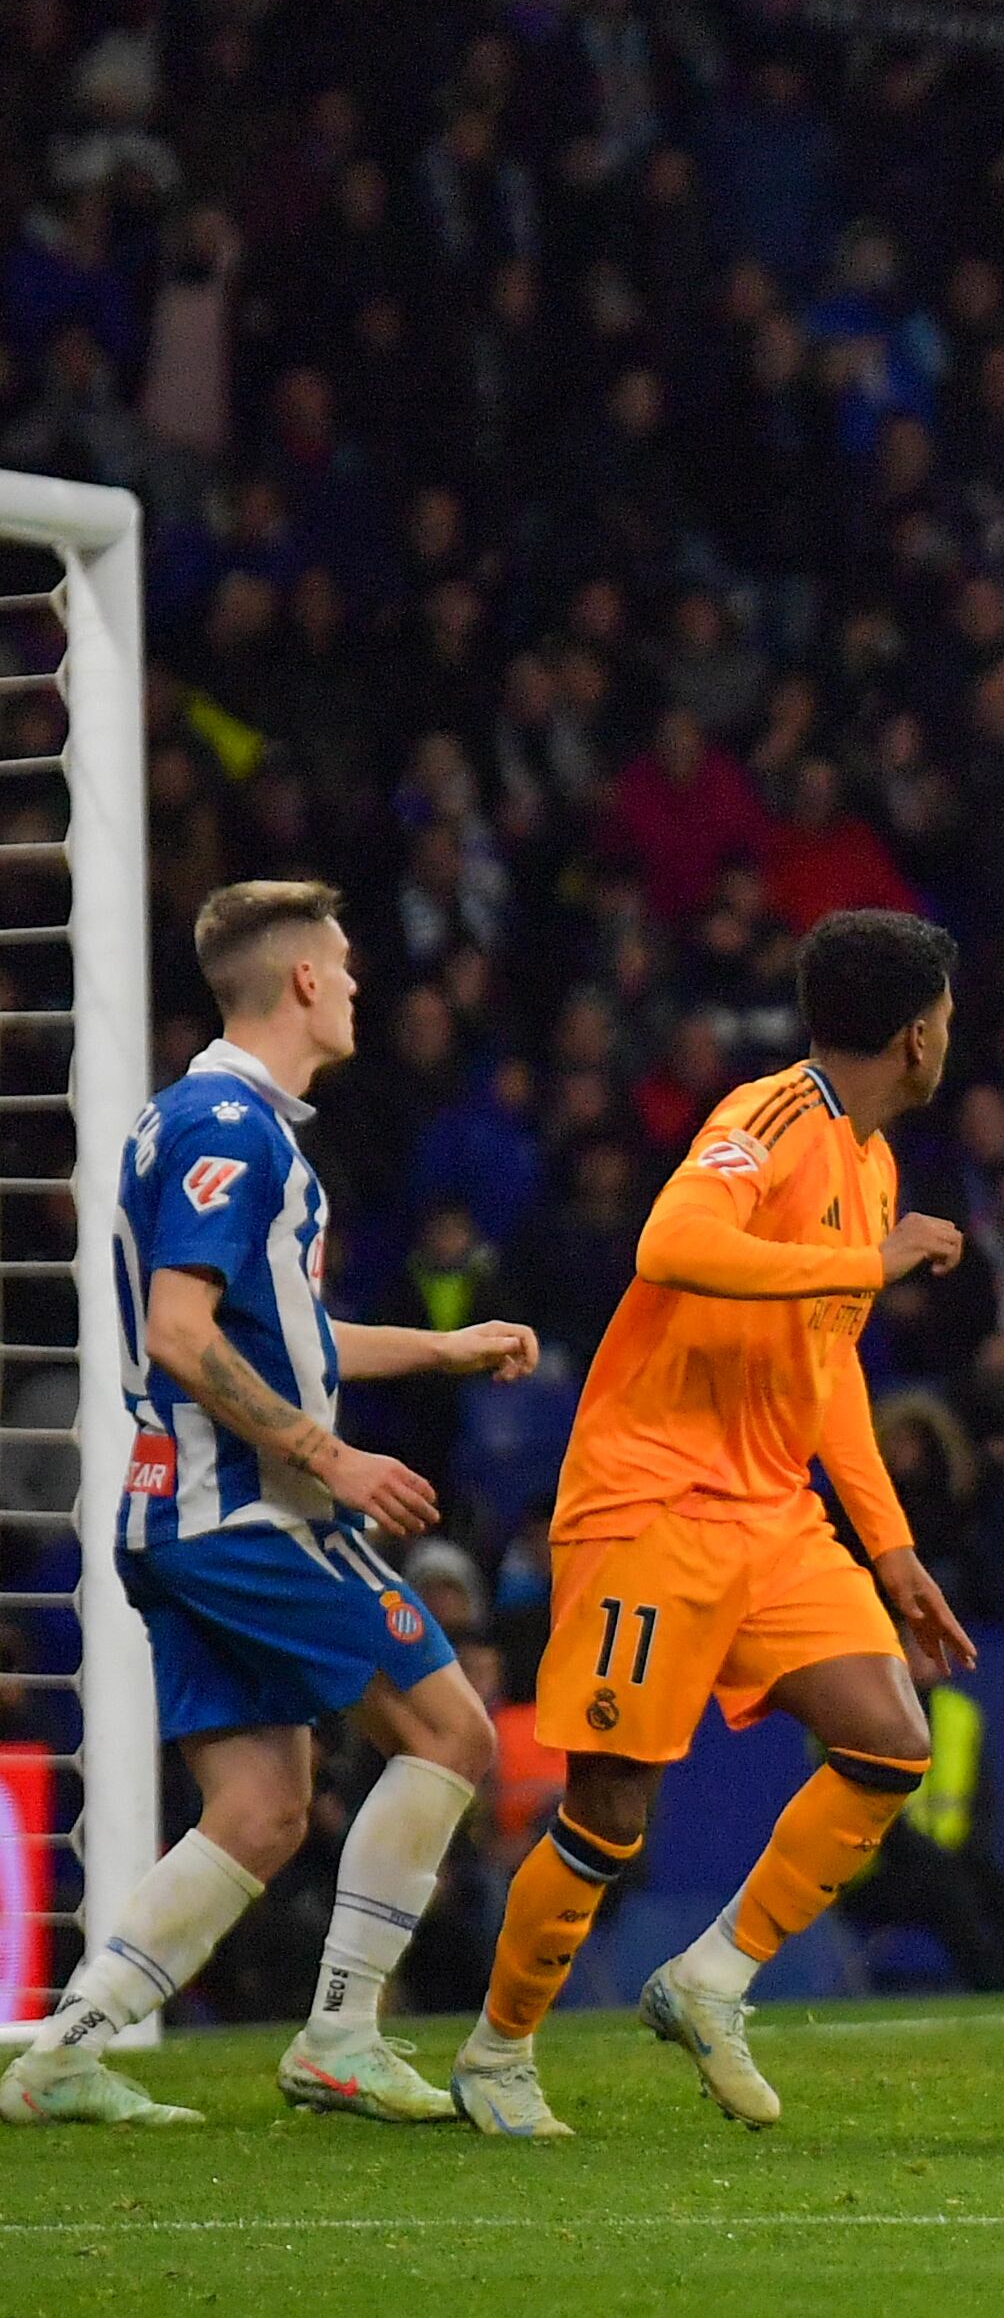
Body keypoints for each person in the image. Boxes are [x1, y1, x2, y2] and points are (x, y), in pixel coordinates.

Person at [2, 883, 537, 2129]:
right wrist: (327, 1456)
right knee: (453, 1734)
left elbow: (276, 1335)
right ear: (301, 980)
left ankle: (63, 2052)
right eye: (341, 967)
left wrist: (439, 1349)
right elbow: (181, 1332)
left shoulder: (201, 1120)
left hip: (175, 1515)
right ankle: (343, 2033)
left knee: (261, 1808)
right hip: (246, 1514)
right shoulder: (232, 1129)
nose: (353, 987)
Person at [450, 909, 981, 2138]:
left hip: (773, 1513)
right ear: (916, 1036)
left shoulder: (873, 1165)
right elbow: (672, 1240)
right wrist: (867, 1266)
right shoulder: (772, 1115)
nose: (949, 1040)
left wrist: (892, 1548)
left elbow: (827, 1371)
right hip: (650, 1501)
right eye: (947, 1020)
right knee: (609, 1811)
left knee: (889, 1740)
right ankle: (497, 2051)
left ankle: (711, 1977)